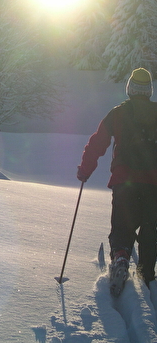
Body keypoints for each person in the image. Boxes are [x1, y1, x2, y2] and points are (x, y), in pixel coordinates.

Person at [77, 68, 157, 296]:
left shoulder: (118, 113)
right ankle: (148, 274)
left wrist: (85, 170)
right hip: (153, 185)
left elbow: (97, 143)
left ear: (130, 89)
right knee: (150, 231)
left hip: (125, 182)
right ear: (149, 91)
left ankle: (121, 258)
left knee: (122, 227)